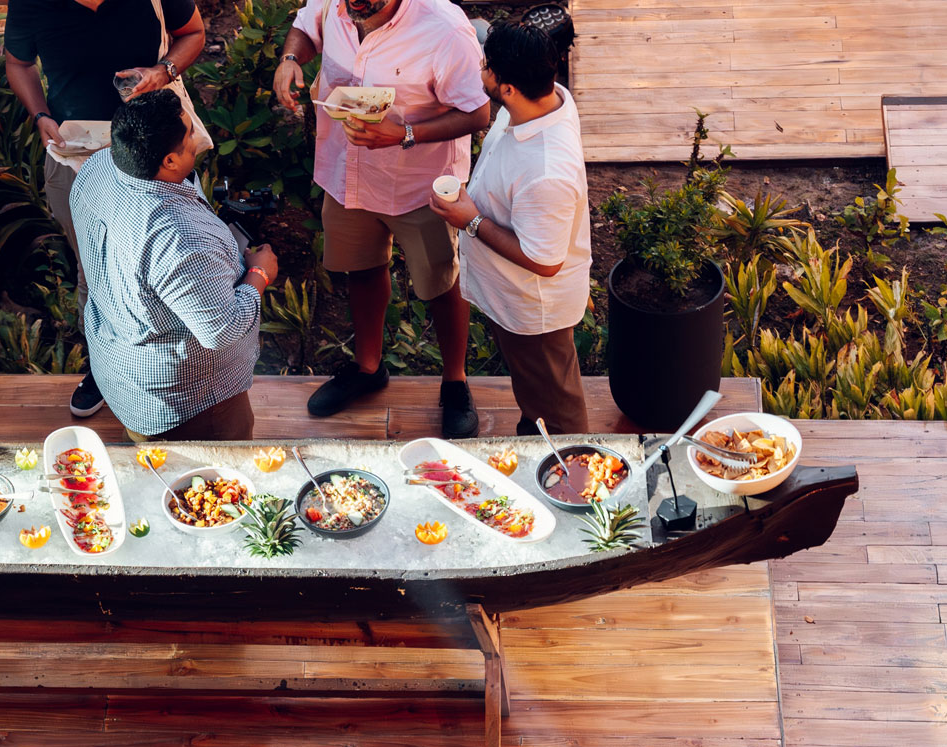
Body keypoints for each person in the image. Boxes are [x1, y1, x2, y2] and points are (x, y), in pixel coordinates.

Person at [273, 0, 490, 436]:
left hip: (420, 183)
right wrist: (290, 60)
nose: (356, 4)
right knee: (362, 269)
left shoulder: (444, 28)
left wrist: (405, 133)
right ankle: (369, 368)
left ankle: (455, 380)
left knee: (441, 284)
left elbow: (477, 112)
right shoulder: (334, 4)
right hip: (347, 172)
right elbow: (305, 27)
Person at [4, 0, 206, 421]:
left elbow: (193, 33)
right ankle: (105, 369)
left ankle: (186, 373)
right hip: (75, 155)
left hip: (158, 156)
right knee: (93, 270)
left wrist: (162, 72)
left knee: (176, 261)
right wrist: (39, 114)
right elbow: (18, 63)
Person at [70, 90, 276, 442]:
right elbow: (220, 330)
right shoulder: (177, 237)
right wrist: (259, 273)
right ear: (167, 161)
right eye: (189, 133)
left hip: (121, 371)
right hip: (189, 405)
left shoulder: (97, 167)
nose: (197, 137)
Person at [431, 18, 590, 434]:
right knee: (534, 392)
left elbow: (545, 261)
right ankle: (531, 426)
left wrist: (472, 220)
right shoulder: (544, 100)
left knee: (559, 415)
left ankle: (568, 476)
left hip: (534, 312)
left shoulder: (547, 171)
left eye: (486, 66)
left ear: (507, 88)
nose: (480, 69)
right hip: (510, 296)